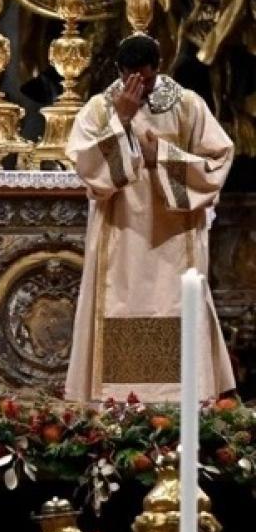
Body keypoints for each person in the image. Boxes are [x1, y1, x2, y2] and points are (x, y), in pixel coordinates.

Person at [65, 34, 235, 402]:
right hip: (120, 232)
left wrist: (163, 156)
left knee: (174, 304)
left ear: (158, 68)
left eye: (144, 78)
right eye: (129, 77)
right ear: (118, 70)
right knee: (120, 303)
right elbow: (85, 166)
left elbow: (219, 159)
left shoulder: (187, 106)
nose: (137, 87)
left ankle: (178, 400)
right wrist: (121, 121)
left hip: (174, 236)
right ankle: (116, 399)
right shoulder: (100, 109)